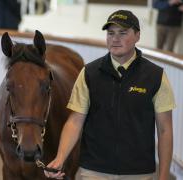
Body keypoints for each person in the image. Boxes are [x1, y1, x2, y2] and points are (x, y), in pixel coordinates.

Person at [44, 10, 175, 180]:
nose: (115, 38)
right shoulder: (88, 74)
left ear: (137, 36)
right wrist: (60, 158)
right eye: (111, 33)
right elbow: (75, 121)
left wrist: (163, 176)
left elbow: (165, 130)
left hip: (139, 173)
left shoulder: (156, 76)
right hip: (93, 171)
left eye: (123, 33)